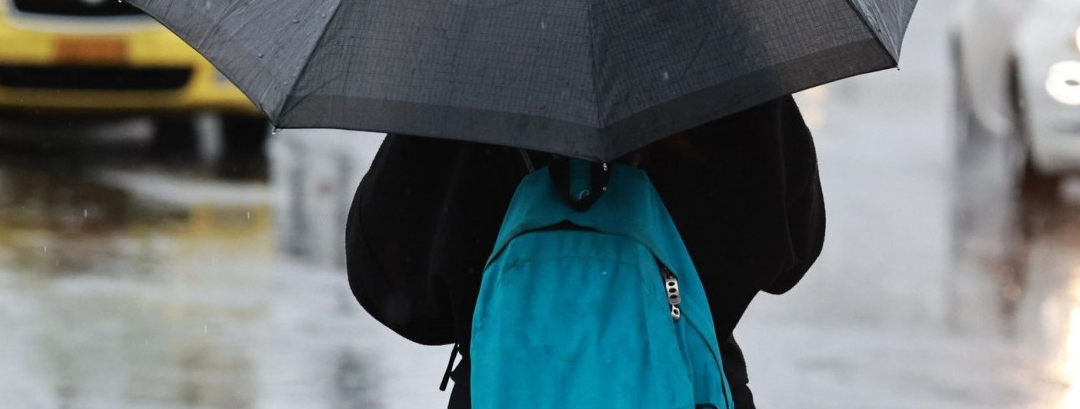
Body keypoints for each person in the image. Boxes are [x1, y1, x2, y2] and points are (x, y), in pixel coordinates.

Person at [345, 94, 825, 408]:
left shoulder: (478, 61)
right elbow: (793, 251)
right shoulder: (715, 54)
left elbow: (390, 278)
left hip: (506, 387)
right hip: (687, 386)